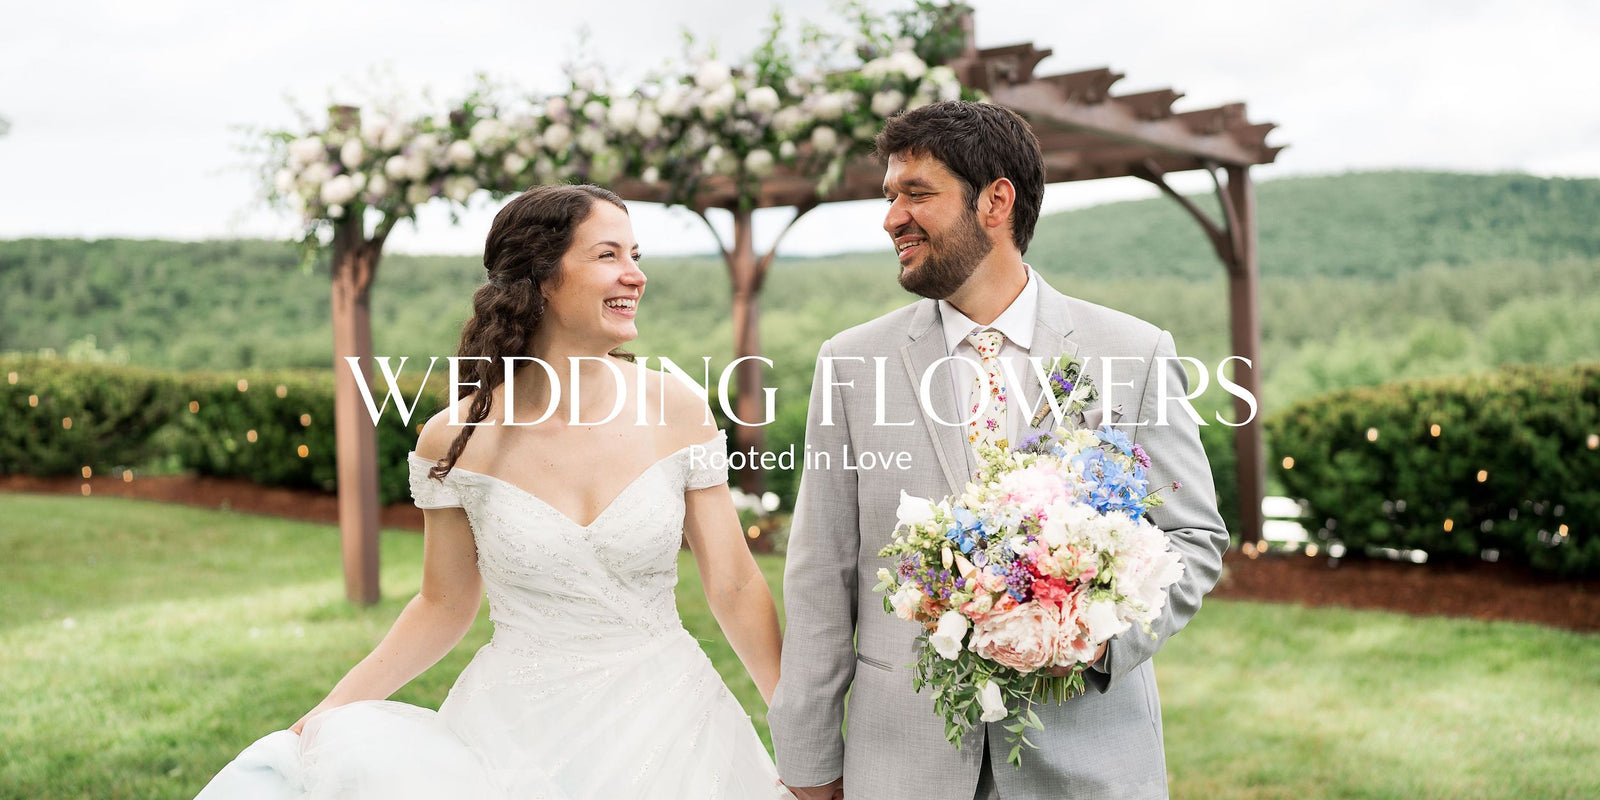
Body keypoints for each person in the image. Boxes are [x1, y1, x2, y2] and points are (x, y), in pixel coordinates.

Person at [196, 184, 791, 799]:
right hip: (512, 731)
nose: (635, 275)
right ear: (540, 279)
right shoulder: (454, 439)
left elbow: (735, 585)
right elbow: (443, 604)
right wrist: (326, 713)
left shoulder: (679, 408)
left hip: (673, 727)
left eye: (636, 255)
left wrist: (802, 734)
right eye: (609, 255)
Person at [768, 101, 1230, 799]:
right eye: (890, 196)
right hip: (902, 765)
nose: (892, 217)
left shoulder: (1134, 353)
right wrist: (807, 761)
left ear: (996, 200)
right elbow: (819, 576)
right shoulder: (851, 362)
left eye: (917, 192)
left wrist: (1094, 640)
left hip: (1089, 761)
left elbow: (1192, 538)